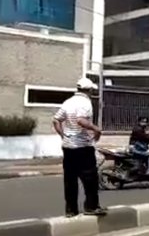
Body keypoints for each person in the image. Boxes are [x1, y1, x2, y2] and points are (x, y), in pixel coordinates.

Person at [52, 77, 107, 217]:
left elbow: (56, 120)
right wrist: (96, 129)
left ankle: (71, 210)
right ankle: (91, 207)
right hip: (83, 147)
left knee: (70, 180)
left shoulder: (68, 102)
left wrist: (63, 135)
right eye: (91, 90)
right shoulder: (85, 102)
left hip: (68, 147)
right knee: (90, 179)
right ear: (88, 90)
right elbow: (81, 120)